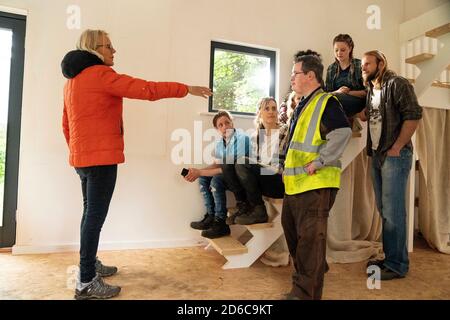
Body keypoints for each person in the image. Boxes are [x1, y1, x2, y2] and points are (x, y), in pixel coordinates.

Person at [61, 29, 212, 300]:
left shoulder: (73, 81)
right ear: (95, 49)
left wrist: (77, 152)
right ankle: (85, 282)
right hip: (101, 160)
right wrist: (186, 89)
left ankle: (89, 263)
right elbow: (147, 90)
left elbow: (65, 123)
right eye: (108, 46)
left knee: (89, 215)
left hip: (82, 159)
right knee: (94, 218)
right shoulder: (100, 75)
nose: (114, 50)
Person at [281, 54, 352, 300]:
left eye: (295, 73)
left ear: (310, 76)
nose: (291, 78)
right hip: (295, 184)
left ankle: (304, 294)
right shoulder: (303, 103)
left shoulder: (325, 102)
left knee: (309, 242)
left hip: (315, 185)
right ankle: (305, 282)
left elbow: (343, 132)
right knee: (295, 237)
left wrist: (321, 161)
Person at [362, 50, 422, 280]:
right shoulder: (371, 89)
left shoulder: (397, 83)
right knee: (384, 210)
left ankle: (397, 265)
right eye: (363, 65)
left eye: (368, 64)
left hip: (395, 155)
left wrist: (397, 146)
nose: (364, 68)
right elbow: (375, 115)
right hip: (377, 154)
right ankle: (390, 257)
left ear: (381, 63)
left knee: (394, 212)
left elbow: (414, 115)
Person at [184, 110, 251, 238]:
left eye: (227, 122)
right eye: (220, 125)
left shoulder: (243, 139)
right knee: (203, 178)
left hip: (243, 179)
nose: (225, 126)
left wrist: (200, 172)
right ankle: (211, 215)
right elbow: (217, 164)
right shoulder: (220, 143)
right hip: (230, 177)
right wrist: (196, 172)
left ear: (232, 123)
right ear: (217, 129)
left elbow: (227, 169)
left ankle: (220, 222)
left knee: (216, 180)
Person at [232, 97, 288, 225]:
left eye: (274, 109)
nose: (271, 112)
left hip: (278, 180)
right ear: (260, 113)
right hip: (263, 180)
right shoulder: (255, 137)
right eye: (267, 109)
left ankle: (259, 211)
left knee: (242, 162)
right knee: (229, 164)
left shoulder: (285, 130)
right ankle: (245, 207)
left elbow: (291, 155)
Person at [325, 34, 367, 129]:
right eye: (336, 50)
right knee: (326, 101)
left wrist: (348, 92)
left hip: (358, 102)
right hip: (336, 100)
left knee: (333, 101)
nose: (339, 53)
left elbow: (368, 92)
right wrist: (338, 92)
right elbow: (327, 93)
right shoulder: (331, 69)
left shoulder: (359, 65)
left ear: (350, 48)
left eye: (343, 50)